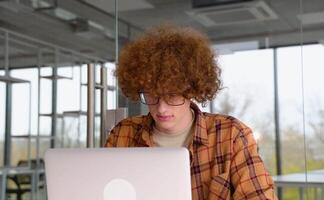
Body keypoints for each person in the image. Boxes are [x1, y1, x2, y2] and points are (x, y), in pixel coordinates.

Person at [104, 24, 277, 200]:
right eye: (152, 95)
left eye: (172, 95)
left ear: (192, 90)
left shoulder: (231, 135)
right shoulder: (123, 134)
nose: (162, 108)